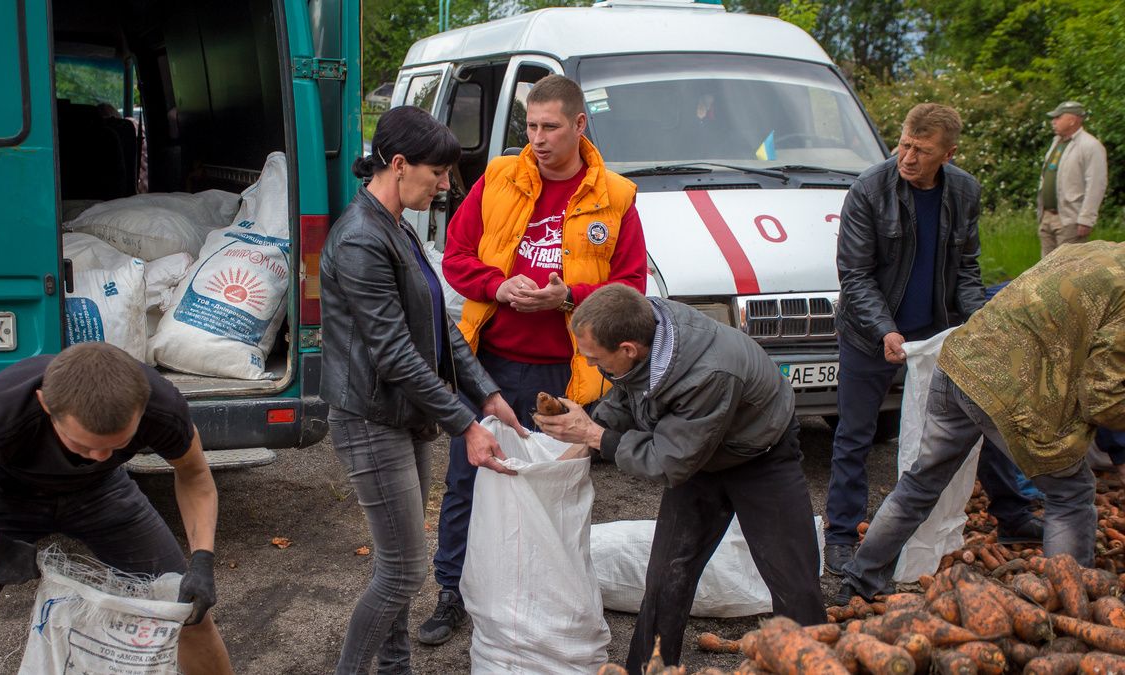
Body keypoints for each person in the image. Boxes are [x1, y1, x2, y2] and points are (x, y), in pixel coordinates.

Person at [422, 73, 647, 645]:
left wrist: (567, 295)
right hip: (488, 364)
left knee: (556, 483)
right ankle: (452, 592)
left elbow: (630, 289)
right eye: (531, 126)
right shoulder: (499, 177)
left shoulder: (615, 198)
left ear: (579, 125)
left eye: (550, 127)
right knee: (468, 477)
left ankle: (543, 589)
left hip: (564, 373)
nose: (538, 139)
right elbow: (456, 257)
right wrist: (498, 288)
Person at [318, 105, 525, 674]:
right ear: (400, 163)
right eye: (437, 173)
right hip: (370, 417)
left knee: (396, 562)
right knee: (406, 569)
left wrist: (486, 393)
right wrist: (465, 424)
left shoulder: (397, 226)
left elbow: (437, 330)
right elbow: (394, 354)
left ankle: (396, 668)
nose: (444, 184)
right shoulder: (362, 239)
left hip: (403, 415)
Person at [535, 284, 826, 673]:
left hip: (760, 455)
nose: (590, 365)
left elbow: (667, 462)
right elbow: (628, 392)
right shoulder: (646, 329)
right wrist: (583, 441)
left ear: (627, 349)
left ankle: (815, 665)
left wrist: (592, 435)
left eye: (595, 357)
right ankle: (648, 668)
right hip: (694, 451)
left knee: (794, 581)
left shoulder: (707, 372)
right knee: (667, 575)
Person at [837, 241, 1125, 604]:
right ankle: (1070, 604)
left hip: (959, 362)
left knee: (921, 482)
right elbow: (1103, 396)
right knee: (1070, 493)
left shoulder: (1091, 250)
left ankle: (859, 579)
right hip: (1008, 387)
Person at [825, 102, 1043, 576]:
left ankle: (1014, 516)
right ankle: (841, 536)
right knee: (855, 436)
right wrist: (886, 329)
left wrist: (977, 322)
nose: (907, 157)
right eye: (903, 144)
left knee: (976, 420)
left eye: (921, 151)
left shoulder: (964, 191)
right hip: (870, 333)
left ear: (948, 154)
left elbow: (966, 267)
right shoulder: (868, 190)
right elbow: (855, 275)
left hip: (937, 331)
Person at [0, 342, 231, 675]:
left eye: (115, 446)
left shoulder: (162, 406)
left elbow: (195, 475)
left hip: (101, 491)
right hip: (2, 496)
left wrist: (202, 559)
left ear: (142, 410)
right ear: (45, 404)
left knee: (186, 614)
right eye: (82, 445)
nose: (99, 456)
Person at [1037, 100, 1107, 257]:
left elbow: (1096, 184)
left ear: (1072, 120)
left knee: (1067, 270)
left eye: (1058, 117)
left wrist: (1086, 219)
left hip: (1070, 218)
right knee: (1043, 271)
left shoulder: (1090, 145)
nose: (1053, 122)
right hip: (1047, 216)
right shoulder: (1057, 143)